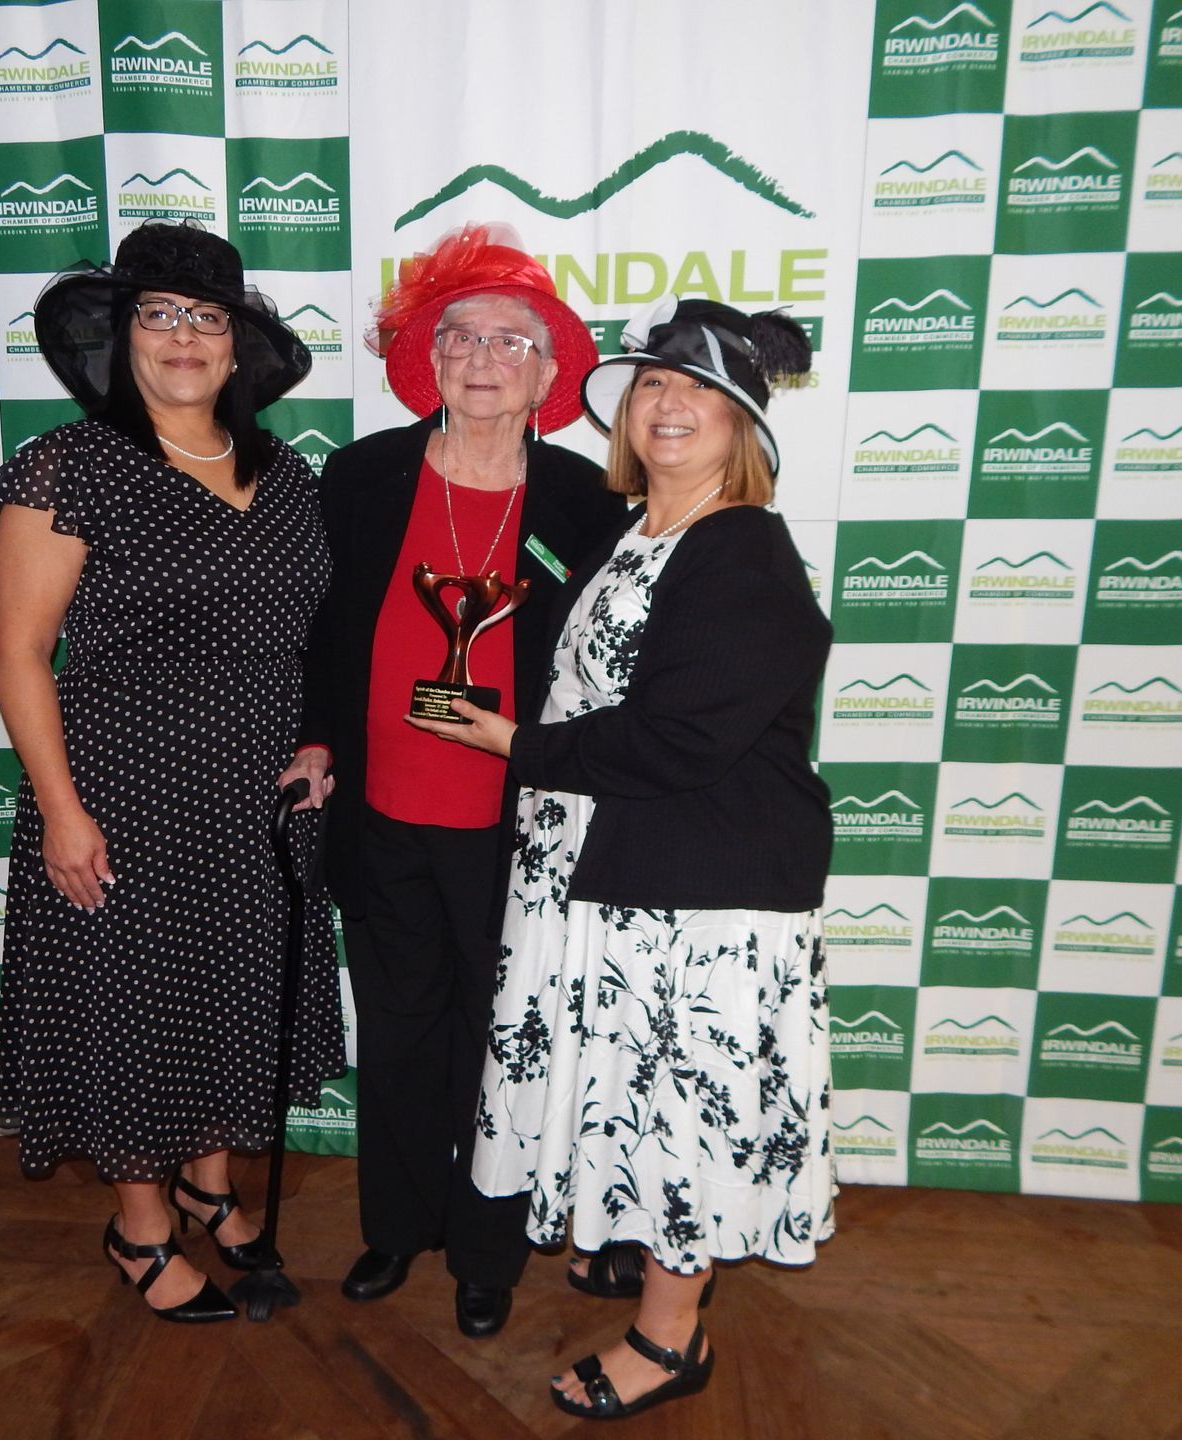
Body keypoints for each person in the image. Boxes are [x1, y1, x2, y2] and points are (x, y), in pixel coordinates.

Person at [412, 298, 835, 1417]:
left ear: (743, 427)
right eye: (653, 383)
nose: (669, 403)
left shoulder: (741, 547)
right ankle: (639, 1264)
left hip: (694, 895)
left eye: (700, 390)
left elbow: (680, 735)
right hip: (605, 874)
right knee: (628, 1098)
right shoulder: (638, 534)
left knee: (680, 1109)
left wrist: (514, 743)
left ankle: (671, 1339)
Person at [0, 220, 344, 1322]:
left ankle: (211, 1183)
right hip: (121, 787)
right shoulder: (70, 464)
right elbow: (17, 651)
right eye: (159, 315)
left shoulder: (287, 474)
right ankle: (139, 1230)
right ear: (121, 338)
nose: (185, 338)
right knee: (136, 1009)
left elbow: (317, 634)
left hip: (258, 794)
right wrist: (60, 810)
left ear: (239, 349)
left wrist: (318, 740)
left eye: (207, 318)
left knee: (235, 993)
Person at [283, 225, 625, 1337]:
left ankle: (487, 1252)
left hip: (513, 828)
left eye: (510, 341)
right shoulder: (366, 474)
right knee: (399, 1027)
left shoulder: (583, 499)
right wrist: (323, 738)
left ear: (545, 372)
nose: (483, 359)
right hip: (383, 812)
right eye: (461, 337)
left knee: (501, 1038)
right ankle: (396, 1227)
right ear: (429, 360)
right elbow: (325, 633)